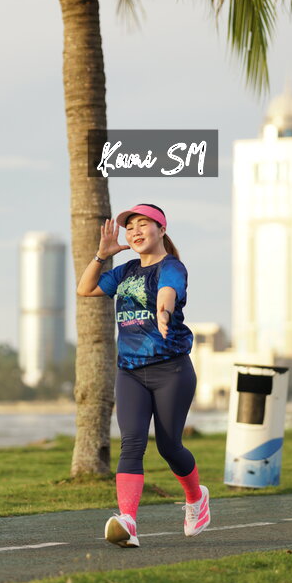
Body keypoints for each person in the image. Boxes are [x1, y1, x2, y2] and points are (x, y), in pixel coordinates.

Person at [76, 203, 211, 548]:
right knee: (132, 443)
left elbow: (168, 291)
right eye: (130, 226)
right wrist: (102, 255)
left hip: (171, 370)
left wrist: (163, 312)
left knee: (169, 447)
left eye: (143, 224)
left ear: (161, 229)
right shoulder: (125, 271)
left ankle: (196, 498)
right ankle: (128, 522)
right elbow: (85, 289)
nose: (135, 231)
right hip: (131, 372)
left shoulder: (172, 267)